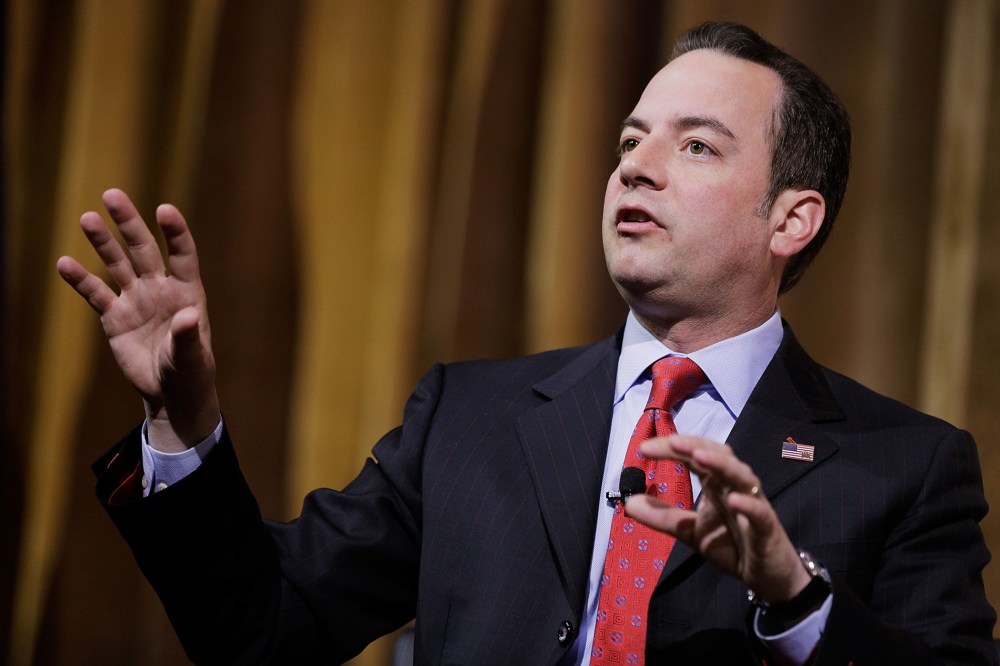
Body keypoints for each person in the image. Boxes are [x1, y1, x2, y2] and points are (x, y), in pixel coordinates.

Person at [57, 21, 996, 665]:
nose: (636, 164)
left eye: (696, 146)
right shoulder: (470, 417)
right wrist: (184, 427)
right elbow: (260, 632)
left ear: (791, 219)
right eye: (631, 138)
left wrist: (795, 600)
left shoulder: (903, 467)